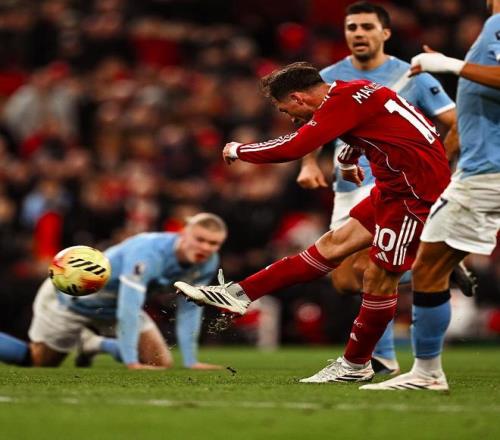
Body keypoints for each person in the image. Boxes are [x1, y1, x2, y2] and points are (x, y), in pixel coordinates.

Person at [175, 62, 450, 383]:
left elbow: (295, 146)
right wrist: (347, 160)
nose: (291, 118)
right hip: (394, 187)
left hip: (414, 195)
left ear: (297, 97)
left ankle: (356, 364)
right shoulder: (356, 90)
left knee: (377, 277)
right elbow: (369, 128)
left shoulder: (340, 103)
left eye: (285, 109)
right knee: (332, 246)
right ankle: (240, 294)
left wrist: (240, 150)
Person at [297, 1, 459, 375]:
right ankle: (425, 264)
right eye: (352, 27)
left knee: (370, 267)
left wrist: (437, 166)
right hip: (348, 185)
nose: (358, 34)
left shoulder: (412, 75)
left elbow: (454, 122)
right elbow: (310, 128)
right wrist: (308, 163)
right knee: (343, 279)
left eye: (367, 27)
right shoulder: (328, 78)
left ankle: (381, 358)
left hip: (396, 188)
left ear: (385, 33)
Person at [361, 0, 500, 391]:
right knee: (433, 264)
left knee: (429, 269)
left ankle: (427, 373)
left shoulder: (497, 25)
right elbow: (475, 109)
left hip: (487, 175)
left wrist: (449, 64)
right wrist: (450, 154)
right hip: (479, 169)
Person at [0, 212, 227, 370]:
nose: (206, 248)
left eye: (213, 243)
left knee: (159, 363)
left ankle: (92, 343)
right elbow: (130, 305)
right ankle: (94, 343)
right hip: (71, 299)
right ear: (183, 233)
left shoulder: (207, 262)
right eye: (200, 239)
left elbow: (190, 306)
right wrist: (131, 362)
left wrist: (191, 361)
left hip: (113, 305)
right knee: (39, 361)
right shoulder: (148, 252)